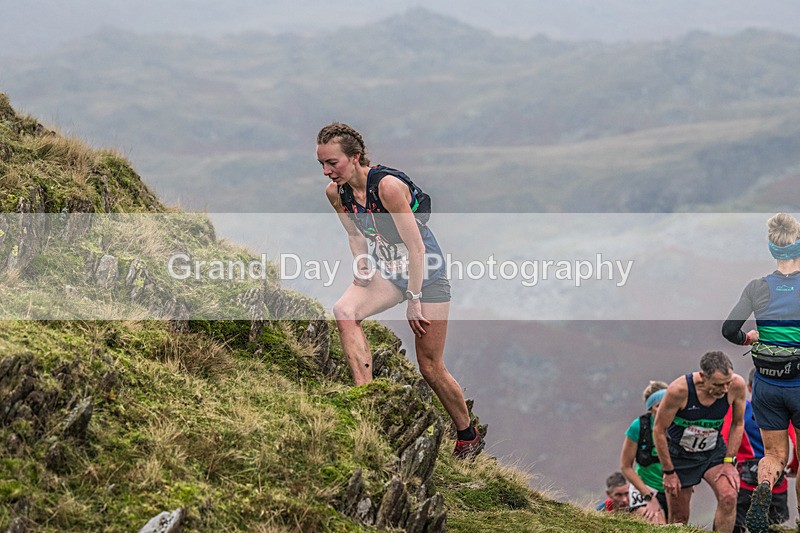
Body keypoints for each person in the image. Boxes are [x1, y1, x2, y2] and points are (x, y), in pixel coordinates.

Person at [317, 122, 484, 459]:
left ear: (355, 157)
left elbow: (416, 248)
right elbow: (354, 234)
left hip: (427, 276)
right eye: (321, 164)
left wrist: (414, 299)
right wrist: (361, 263)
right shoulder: (337, 193)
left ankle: (468, 436)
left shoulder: (389, 188)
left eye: (332, 162)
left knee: (430, 366)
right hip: (389, 272)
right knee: (344, 311)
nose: (326, 172)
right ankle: (367, 400)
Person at [721, 212, 800, 533]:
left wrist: (748, 338)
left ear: (772, 250)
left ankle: (765, 485)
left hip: (767, 384)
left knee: (774, 455)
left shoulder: (757, 288)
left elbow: (729, 329)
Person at [652, 351, 746, 533]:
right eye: (718, 385)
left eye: (727, 382)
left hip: (713, 451)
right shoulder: (679, 390)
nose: (725, 389)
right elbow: (658, 429)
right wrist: (668, 471)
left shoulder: (736, 385)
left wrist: (729, 462)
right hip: (681, 455)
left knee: (729, 496)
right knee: (679, 518)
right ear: (703, 377)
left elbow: (737, 423)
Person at [721, 368, 799, 533]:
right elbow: (795, 440)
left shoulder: (740, 411)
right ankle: (768, 488)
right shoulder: (784, 414)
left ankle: (764, 484)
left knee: (738, 526)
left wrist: (726, 462)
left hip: (744, 480)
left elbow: (725, 436)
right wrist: (794, 465)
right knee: (774, 527)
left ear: (750, 388)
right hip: (778, 485)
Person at [619, 380, 669, 524]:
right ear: (650, 408)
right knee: (657, 525)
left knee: (678, 525)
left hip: (672, 489)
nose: (664, 409)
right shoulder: (638, 427)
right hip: (646, 487)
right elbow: (625, 466)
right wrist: (648, 497)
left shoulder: (678, 424)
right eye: (659, 406)